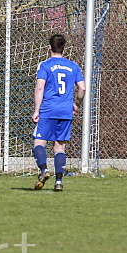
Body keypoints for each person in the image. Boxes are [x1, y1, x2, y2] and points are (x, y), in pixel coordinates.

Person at [31, 34, 85, 192]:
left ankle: (44, 170)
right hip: (65, 111)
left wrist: (36, 110)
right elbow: (82, 88)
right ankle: (59, 181)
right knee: (59, 147)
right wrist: (76, 104)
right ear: (64, 48)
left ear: (49, 47)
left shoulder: (45, 65)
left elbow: (40, 88)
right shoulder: (73, 66)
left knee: (39, 142)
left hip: (48, 109)